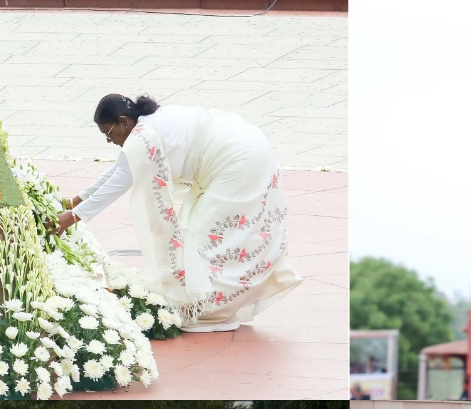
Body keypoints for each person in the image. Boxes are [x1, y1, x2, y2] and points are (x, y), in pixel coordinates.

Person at [55, 94, 302, 332]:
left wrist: (73, 217)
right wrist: (75, 201)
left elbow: (121, 178)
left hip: (237, 159)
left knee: (206, 238)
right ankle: (214, 307)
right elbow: (121, 168)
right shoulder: (145, 126)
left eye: (109, 134)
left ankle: (211, 312)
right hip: (244, 146)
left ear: (123, 122)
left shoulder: (143, 135)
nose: (110, 141)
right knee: (201, 233)